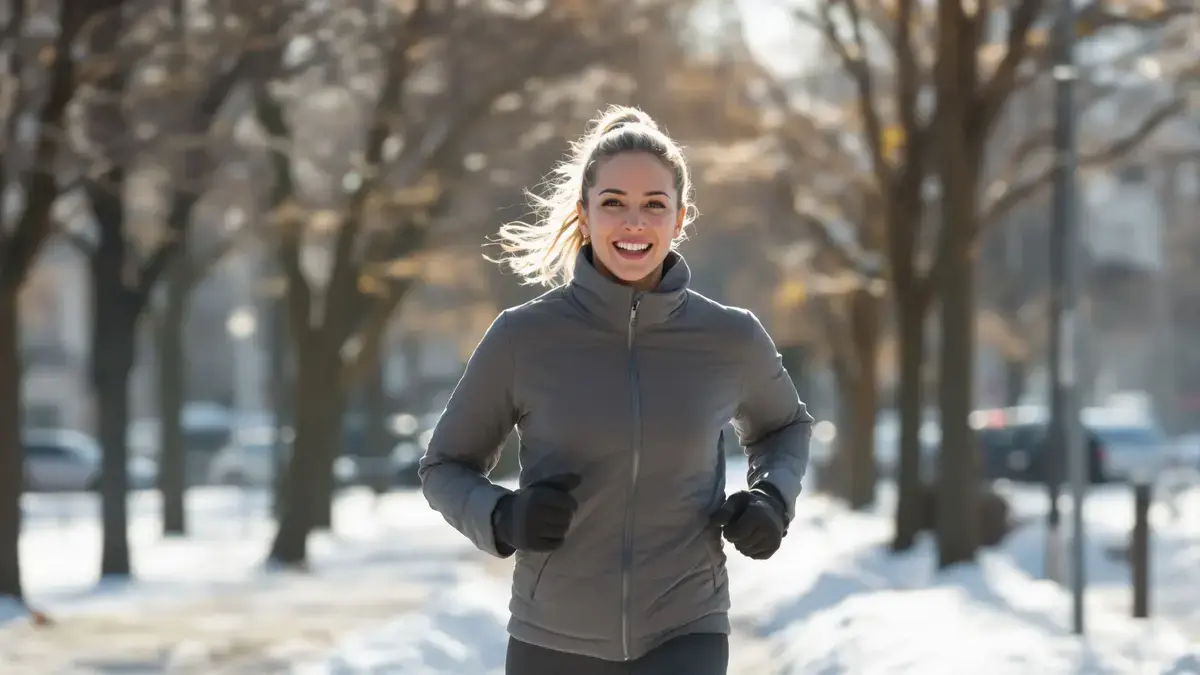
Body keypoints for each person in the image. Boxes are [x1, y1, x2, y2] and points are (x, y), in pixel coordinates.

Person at [419, 105, 813, 675]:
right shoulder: (522, 337)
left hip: (686, 628)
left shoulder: (730, 337)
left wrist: (773, 498)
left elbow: (785, 427)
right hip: (552, 637)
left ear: (680, 218)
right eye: (613, 204)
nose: (634, 222)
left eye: (654, 205)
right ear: (584, 215)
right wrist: (503, 516)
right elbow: (444, 466)